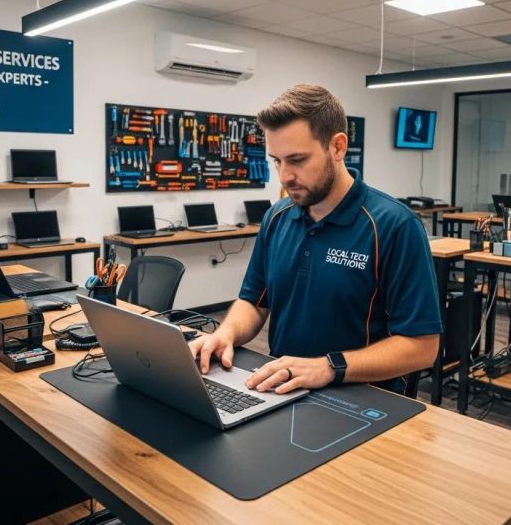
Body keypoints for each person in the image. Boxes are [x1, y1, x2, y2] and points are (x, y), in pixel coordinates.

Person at [188, 84, 442, 394]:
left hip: (364, 400)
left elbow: (422, 346)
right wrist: (225, 334)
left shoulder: (395, 226)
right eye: (276, 161)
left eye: (297, 160)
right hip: (282, 388)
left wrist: (328, 367)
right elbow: (254, 302)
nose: (284, 177)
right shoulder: (277, 218)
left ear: (337, 147)